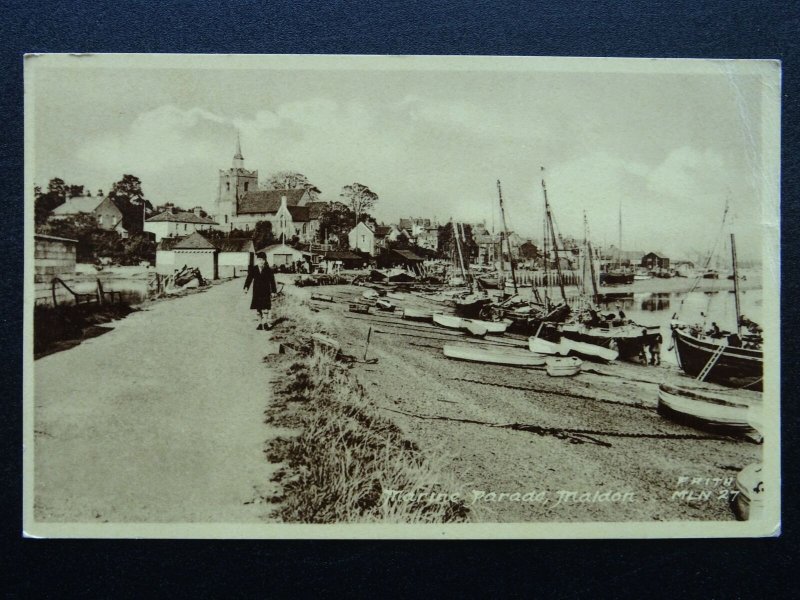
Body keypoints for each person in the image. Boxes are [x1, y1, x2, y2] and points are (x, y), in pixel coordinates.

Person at [244, 252, 277, 330]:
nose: (261, 261)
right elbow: (249, 279)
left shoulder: (268, 270)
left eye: (262, 260)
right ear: (257, 260)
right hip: (256, 291)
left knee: (265, 308)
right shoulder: (254, 269)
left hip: (266, 291)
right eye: (259, 260)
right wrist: (246, 287)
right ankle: (260, 323)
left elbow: (272, 281)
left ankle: (265, 323)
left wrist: (273, 291)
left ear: (265, 261)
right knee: (258, 309)